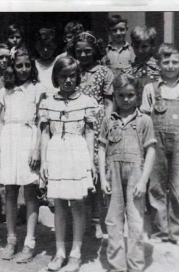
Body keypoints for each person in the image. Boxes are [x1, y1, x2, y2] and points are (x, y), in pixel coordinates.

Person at [39, 57, 98, 272]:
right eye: (63, 76)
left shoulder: (86, 102)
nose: (68, 80)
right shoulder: (48, 102)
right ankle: (60, 252)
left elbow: (90, 132)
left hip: (77, 153)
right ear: (56, 78)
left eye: (72, 76)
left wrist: (91, 161)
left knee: (78, 204)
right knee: (60, 205)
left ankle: (76, 252)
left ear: (78, 77)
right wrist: (44, 160)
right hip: (56, 152)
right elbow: (45, 133)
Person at [98, 74, 156, 272]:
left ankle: (135, 268)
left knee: (135, 221)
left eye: (130, 95)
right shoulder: (108, 120)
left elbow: (150, 151)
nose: (126, 99)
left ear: (138, 96)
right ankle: (117, 266)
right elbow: (102, 149)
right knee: (113, 221)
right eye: (121, 95)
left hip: (135, 174)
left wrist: (143, 181)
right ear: (115, 96)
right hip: (113, 174)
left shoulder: (144, 121)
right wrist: (103, 177)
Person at [141, 43, 179, 248]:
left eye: (175, 62)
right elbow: (145, 119)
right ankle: (159, 231)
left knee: (178, 187)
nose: (170, 66)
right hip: (155, 144)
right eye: (166, 62)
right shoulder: (151, 88)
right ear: (159, 64)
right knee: (155, 187)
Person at [0, 49, 46, 262]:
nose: (23, 69)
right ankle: (11, 239)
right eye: (19, 66)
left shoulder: (37, 89)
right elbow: (0, 121)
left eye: (27, 65)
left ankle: (30, 242)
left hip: (28, 139)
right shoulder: (5, 91)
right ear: (12, 68)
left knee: (30, 192)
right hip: (8, 140)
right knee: (10, 192)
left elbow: (42, 123)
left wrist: (37, 149)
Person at [72, 31, 115, 240]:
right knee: (78, 172)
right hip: (75, 124)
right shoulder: (72, 70)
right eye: (79, 51)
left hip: (96, 126)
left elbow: (108, 103)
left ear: (95, 51)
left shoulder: (104, 72)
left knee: (96, 174)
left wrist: (105, 129)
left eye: (87, 51)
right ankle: (80, 220)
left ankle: (97, 221)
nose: (83, 55)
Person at [34, 27, 59, 94]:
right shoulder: (33, 65)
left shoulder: (58, 63)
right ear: (36, 46)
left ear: (55, 46)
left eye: (49, 46)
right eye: (42, 46)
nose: (45, 50)